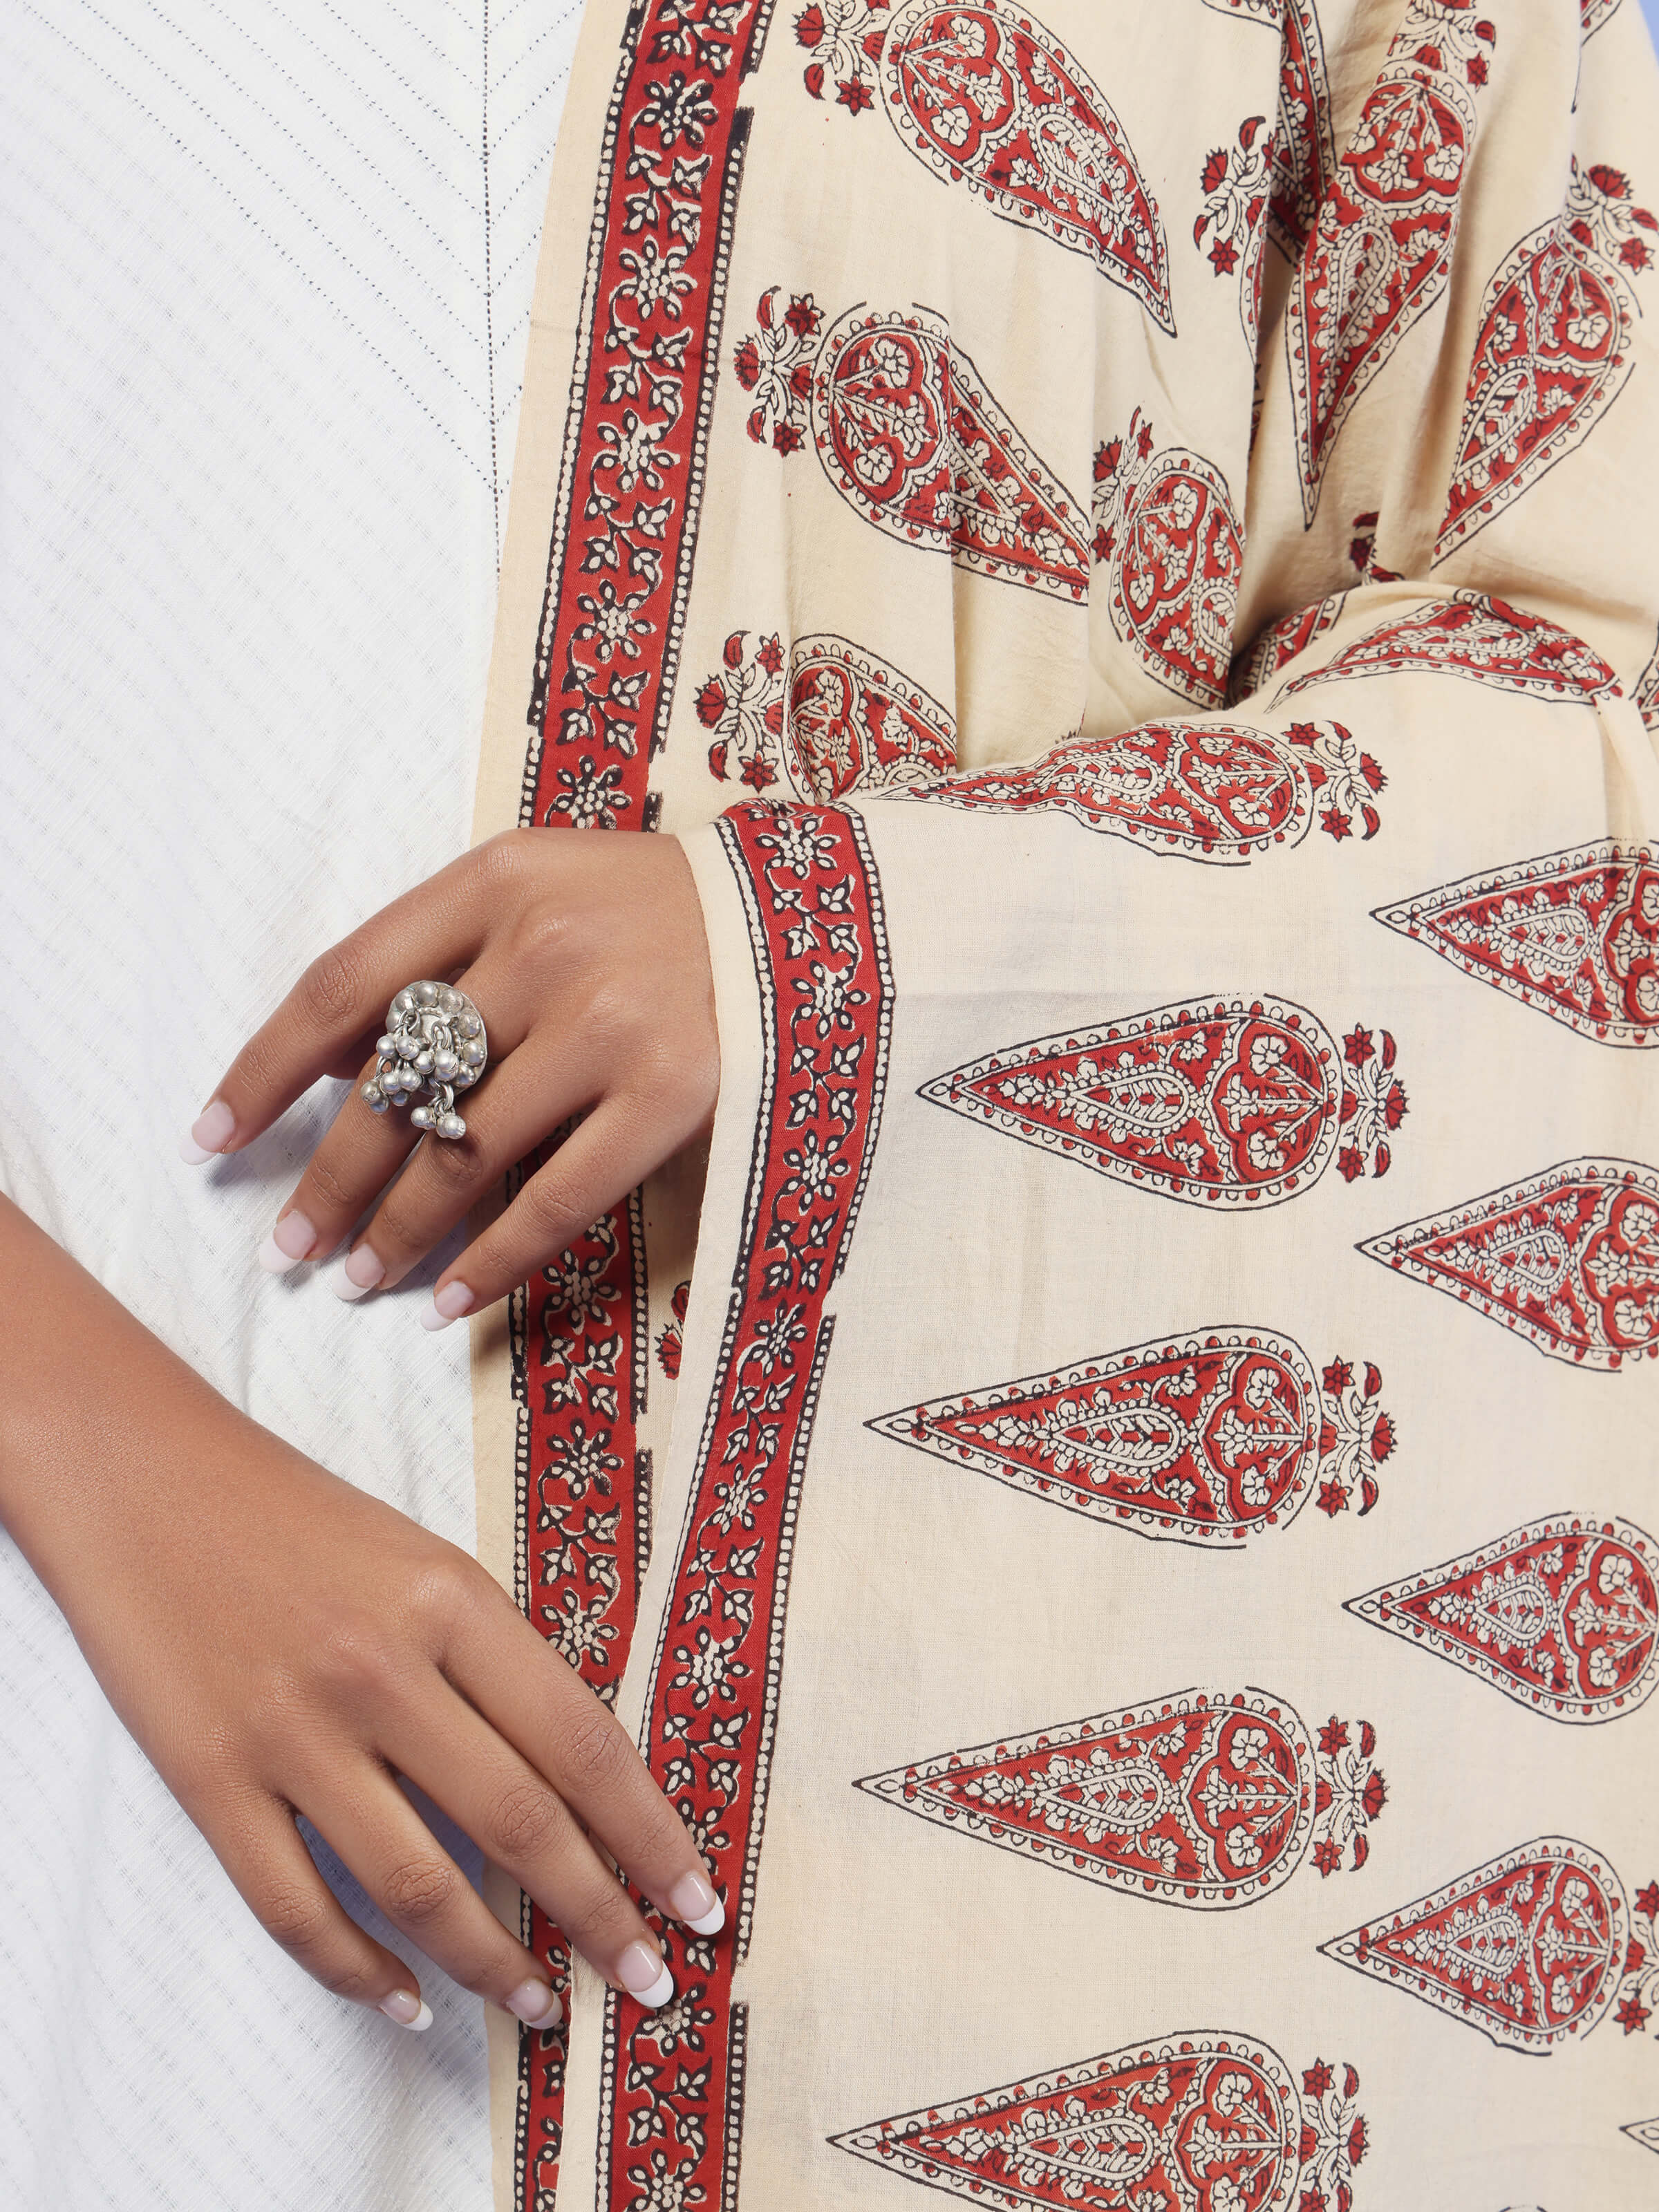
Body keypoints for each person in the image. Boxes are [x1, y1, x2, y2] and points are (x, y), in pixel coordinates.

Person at [6, 0, 1659, 2206]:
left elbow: (1589, 701)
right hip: (75, 1692)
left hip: (936, 1834)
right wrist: (95, 1445)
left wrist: (816, 949)